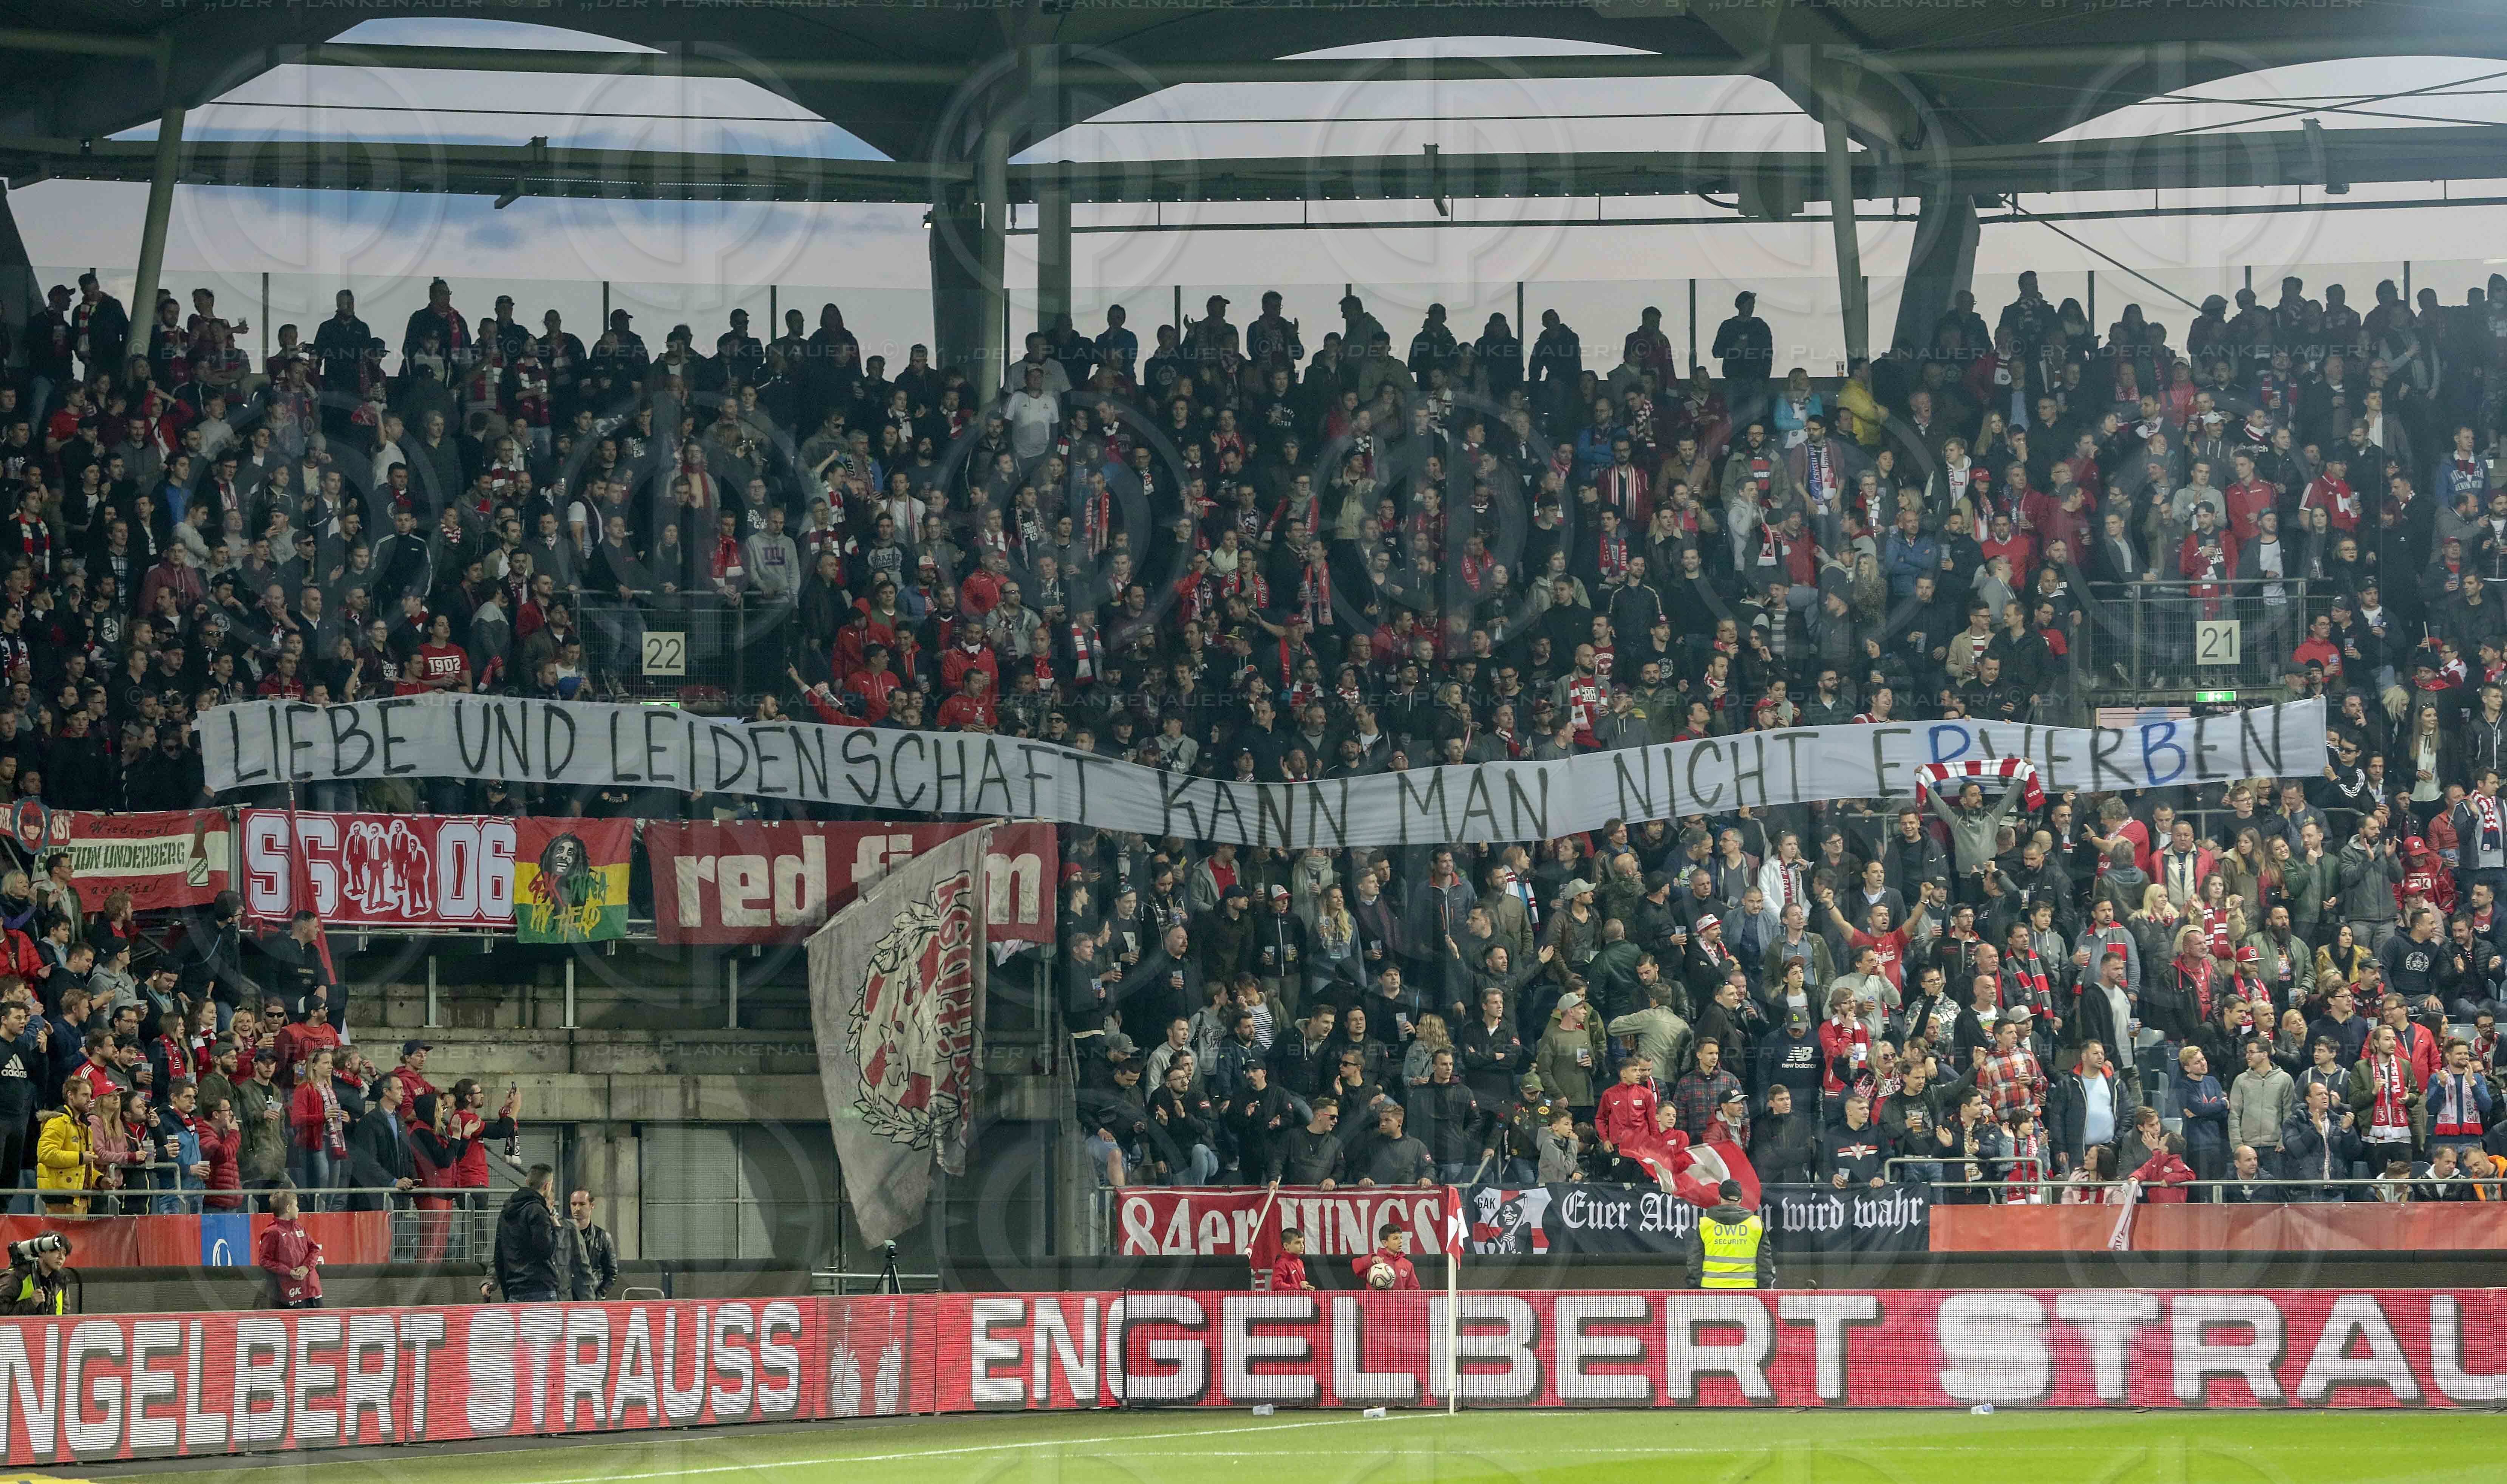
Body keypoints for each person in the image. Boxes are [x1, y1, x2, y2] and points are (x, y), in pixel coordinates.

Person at [493, 1163, 566, 1302]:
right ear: (547, 1186)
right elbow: (546, 1250)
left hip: (514, 1290)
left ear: (527, 1182)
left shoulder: (506, 1212)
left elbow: (499, 1255)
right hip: (541, 1290)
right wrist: (557, 1231)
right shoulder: (538, 1211)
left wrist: (507, 1291)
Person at [1685, 1178, 1773, 1289]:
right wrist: (1764, 1289)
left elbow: (1695, 1261)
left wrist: (1694, 1288)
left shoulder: (1705, 1225)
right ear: (1741, 1200)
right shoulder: (1755, 1225)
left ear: (1719, 1199)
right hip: (1747, 1290)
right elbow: (1765, 1262)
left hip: (1711, 1289)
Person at [256, 1188, 324, 1308]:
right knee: (295, 1325)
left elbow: (315, 1249)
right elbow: (265, 1260)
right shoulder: (272, 1233)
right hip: (288, 1293)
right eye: (296, 1206)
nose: (298, 1209)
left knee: (321, 1325)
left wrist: (306, 1267)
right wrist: (289, 1272)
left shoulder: (299, 1228)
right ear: (288, 1209)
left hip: (312, 1289)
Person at [568, 1188, 619, 1300]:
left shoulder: (603, 1237)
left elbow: (612, 1274)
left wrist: (599, 1296)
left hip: (591, 1296)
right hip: (567, 1298)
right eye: (574, 1204)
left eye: (582, 1204)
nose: (577, 1208)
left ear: (592, 1206)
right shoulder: (562, 1234)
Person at [0, 1234, 71, 1314]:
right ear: (41, 1252)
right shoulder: (16, 1277)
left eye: (64, 1253)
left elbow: (66, 1319)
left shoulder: (60, 1282)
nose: (61, 1257)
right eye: (57, 1251)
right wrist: (31, 1303)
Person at [1351, 1224, 1419, 1289]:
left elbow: (1414, 1289)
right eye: (1396, 1239)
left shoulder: (1407, 1265)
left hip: (1399, 1302)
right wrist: (1371, 1259)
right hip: (1376, 1301)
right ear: (1385, 1243)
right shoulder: (1374, 1261)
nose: (1401, 1241)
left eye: (1401, 1238)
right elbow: (1357, 1268)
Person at [1269, 1226, 1314, 1291]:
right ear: (1286, 1246)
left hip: (1300, 1300)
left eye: (1303, 1242)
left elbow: (1299, 1286)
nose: (1302, 1246)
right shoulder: (1282, 1263)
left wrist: (1305, 1289)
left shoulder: (1300, 1262)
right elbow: (1276, 1285)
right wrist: (1298, 1286)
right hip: (1288, 1301)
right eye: (1298, 1243)